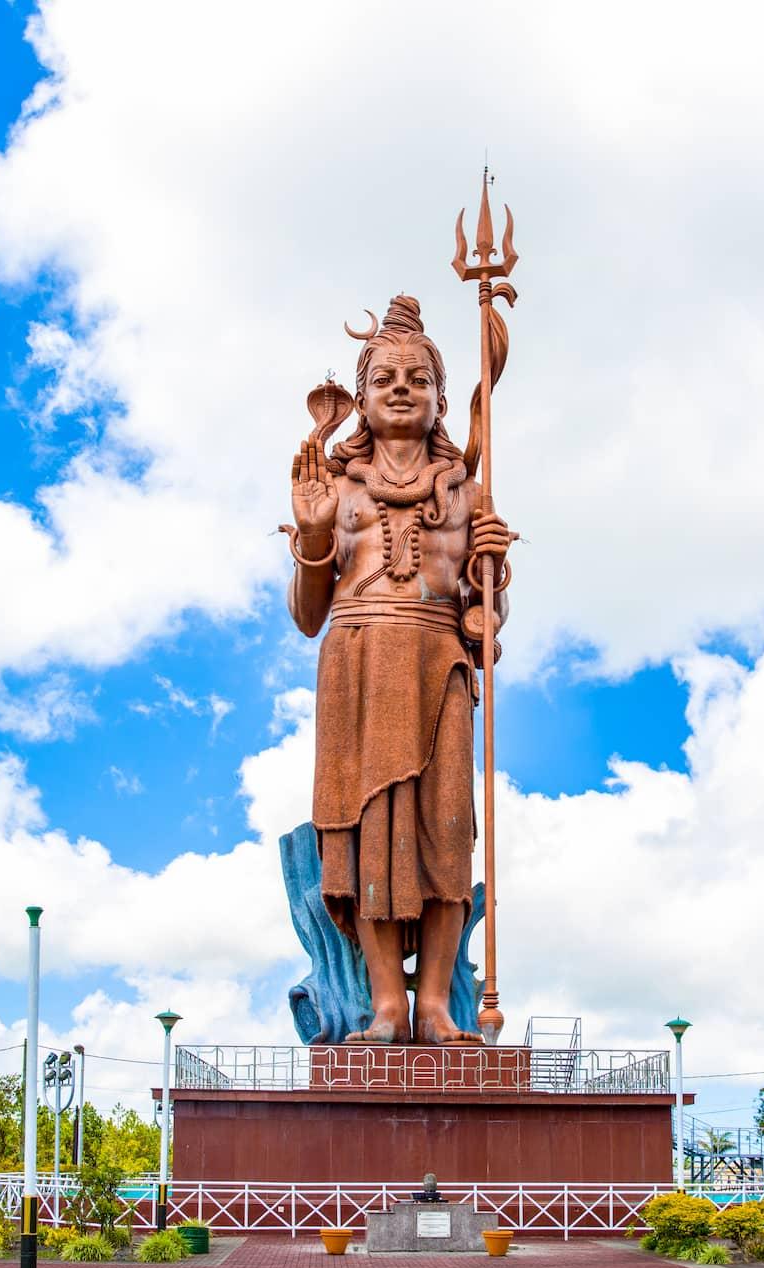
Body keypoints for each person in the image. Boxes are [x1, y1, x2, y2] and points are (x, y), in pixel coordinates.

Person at [285, 296, 513, 1044]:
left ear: (443, 400)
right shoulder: (340, 491)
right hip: (354, 660)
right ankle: (387, 1004)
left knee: (446, 830)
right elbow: (307, 614)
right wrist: (314, 538)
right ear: (361, 399)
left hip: (436, 659)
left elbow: (485, 625)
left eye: (419, 378)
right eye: (385, 377)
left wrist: (492, 581)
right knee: (365, 835)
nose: (402, 388)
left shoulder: (468, 493)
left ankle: (437, 1007)